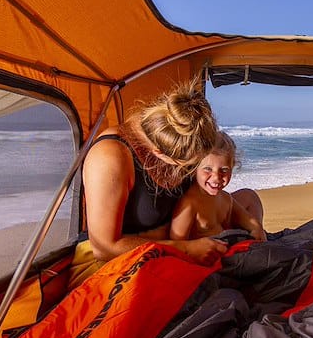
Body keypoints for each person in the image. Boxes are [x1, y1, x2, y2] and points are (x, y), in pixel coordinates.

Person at [69, 78, 261, 288]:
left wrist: (252, 225)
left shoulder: (183, 133)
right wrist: (185, 249)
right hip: (121, 257)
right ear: (159, 154)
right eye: (186, 165)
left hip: (180, 241)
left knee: (249, 199)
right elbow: (104, 247)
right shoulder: (109, 157)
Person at [170, 131, 267, 242]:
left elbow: (250, 221)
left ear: (232, 167)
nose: (216, 177)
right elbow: (178, 243)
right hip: (206, 255)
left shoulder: (225, 198)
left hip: (230, 246)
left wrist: (257, 230)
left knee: (250, 195)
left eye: (224, 170)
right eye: (208, 169)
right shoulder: (189, 205)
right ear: (194, 168)